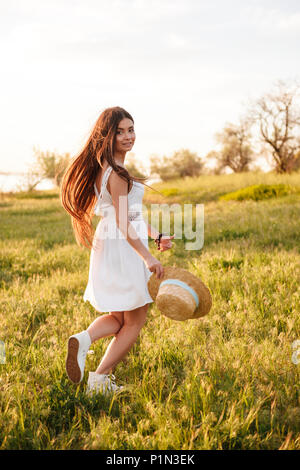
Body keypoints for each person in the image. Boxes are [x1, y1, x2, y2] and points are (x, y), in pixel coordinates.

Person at [60, 106, 175, 395]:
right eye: (120, 131)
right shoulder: (118, 174)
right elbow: (124, 222)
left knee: (120, 319)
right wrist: (147, 256)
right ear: (108, 136)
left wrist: (156, 235)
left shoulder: (106, 170)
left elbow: (130, 215)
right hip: (124, 248)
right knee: (135, 321)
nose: (128, 136)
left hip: (109, 245)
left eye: (131, 129)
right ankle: (98, 379)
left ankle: (84, 340)